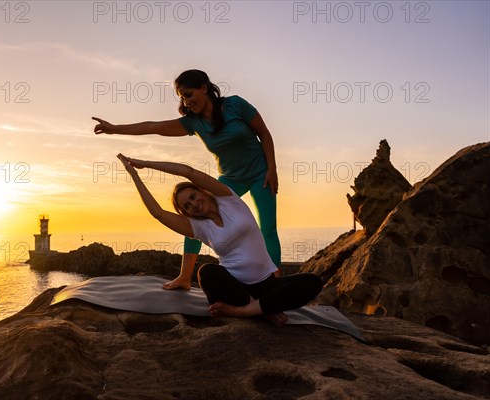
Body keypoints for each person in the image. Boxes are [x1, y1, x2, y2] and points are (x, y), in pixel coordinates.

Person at [93, 69, 281, 288]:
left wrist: (272, 168)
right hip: (231, 179)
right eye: (182, 97)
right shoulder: (194, 123)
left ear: (204, 88)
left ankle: (275, 283)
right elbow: (154, 127)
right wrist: (114, 129)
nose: (186, 101)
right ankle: (184, 277)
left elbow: (264, 133)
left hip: (261, 173)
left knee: (268, 227)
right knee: (198, 216)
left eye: (188, 94)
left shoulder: (236, 105)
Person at [117, 154, 322, 326]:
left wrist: (145, 164)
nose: (194, 204)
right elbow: (158, 213)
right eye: (187, 206)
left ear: (201, 191)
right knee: (206, 272)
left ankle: (245, 311)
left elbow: (188, 172)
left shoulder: (227, 198)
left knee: (313, 282)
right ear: (186, 213)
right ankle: (262, 308)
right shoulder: (199, 227)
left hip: (266, 283)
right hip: (233, 287)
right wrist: (134, 175)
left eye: (193, 196)